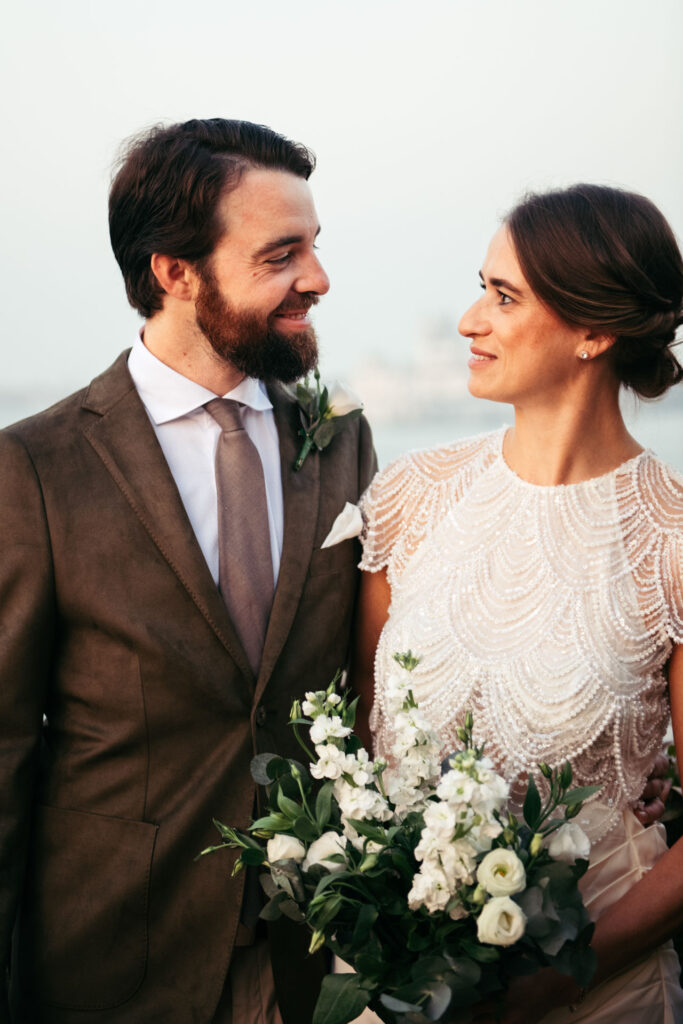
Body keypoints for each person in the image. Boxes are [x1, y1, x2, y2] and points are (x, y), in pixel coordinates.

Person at [0, 118, 376, 1023]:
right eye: (281, 254)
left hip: (313, 956)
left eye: (315, 248)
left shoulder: (340, 439)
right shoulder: (37, 466)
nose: (317, 279)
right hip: (111, 956)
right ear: (174, 271)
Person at [353, 184, 683, 1022]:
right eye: (481, 288)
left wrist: (552, 982)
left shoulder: (671, 540)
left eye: (503, 297)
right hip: (399, 977)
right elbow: (361, 744)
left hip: (598, 985)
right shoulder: (408, 499)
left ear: (593, 331)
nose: (469, 320)